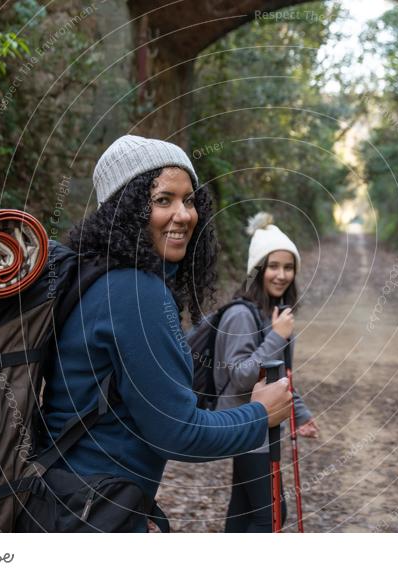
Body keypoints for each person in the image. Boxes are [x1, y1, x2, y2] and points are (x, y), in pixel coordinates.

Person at [39, 136, 291, 532]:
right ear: (126, 209)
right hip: (90, 514)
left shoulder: (93, 275)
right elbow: (177, 432)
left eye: (189, 200)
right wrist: (259, 415)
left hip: (73, 498)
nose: (183, 214)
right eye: (163, 200)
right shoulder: (136, 293)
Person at [214, 212, 320, 533]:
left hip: (259, 425)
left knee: (245, 509)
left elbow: (278, 374)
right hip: (245, 426)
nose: (282, 275)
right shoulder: (240, 315)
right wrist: (277, 336)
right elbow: (244, 376)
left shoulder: (273, 315)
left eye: (289, 267)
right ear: (257, 270)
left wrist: (300, 413)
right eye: (273, 266)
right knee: (271, 514)